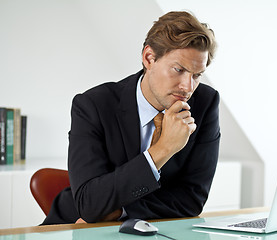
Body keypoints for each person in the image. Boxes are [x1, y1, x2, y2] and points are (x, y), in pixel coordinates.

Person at [42, 11, 220, 224]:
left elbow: (192, 200)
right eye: (178, 69)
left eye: (197, 75)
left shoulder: (205, 104)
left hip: (149, 230)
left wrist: (119, 212)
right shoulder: (93, 106)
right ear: (149, 58)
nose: (188, 87)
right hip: (73, 228)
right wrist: (163, 150)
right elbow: (89, 204)